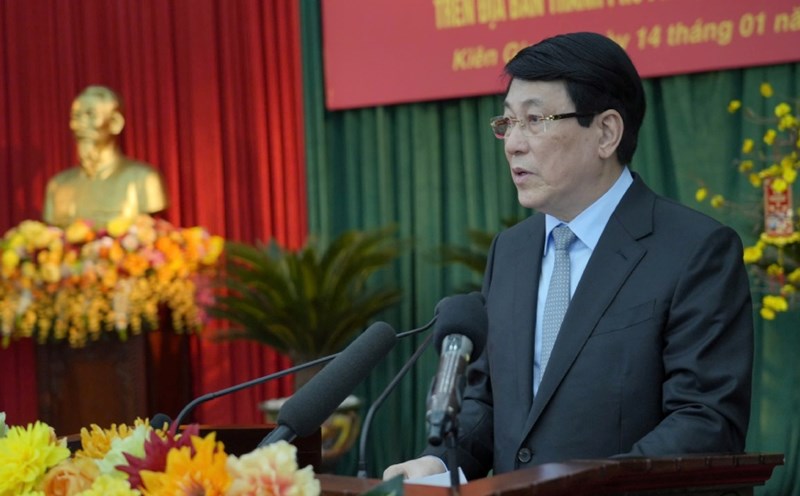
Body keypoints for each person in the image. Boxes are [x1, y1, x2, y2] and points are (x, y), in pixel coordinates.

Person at [384, 32, 753, 481]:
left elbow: (705, 423)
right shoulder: (511, 252)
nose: (512, 144)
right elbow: (487, 401)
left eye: (534, 120)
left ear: (606, 132)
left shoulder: (695, 250)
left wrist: (583, 487)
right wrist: (440, 462)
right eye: (507, 123)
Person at [43, 85, 168, 228]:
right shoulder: (58, 185)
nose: (79, 125)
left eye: (91, 115)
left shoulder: (143, 179)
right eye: (76, 117)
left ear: (115, 123)